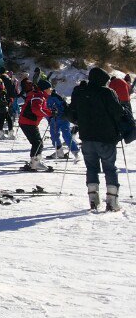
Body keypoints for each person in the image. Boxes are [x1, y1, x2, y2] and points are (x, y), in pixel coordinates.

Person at [67, 67, 131, 212]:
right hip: (106, 137)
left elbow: (71, 113)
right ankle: (112, 202)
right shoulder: (107, 92)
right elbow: (118, 113)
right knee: (110, 168)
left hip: (87, 137)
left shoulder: (80, 92)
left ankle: (93, 200)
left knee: (91, 168)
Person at [18, 79, 53, 171]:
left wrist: (50, 112)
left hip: (27, 122)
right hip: (28, 122)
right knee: (37, 143)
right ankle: (35, 163)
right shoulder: (38, 96)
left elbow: (41, 109)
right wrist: (50, 114)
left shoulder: (39, 95)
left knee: (37, 142)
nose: (51, 90)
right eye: (49, 88)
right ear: (45, 89)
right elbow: (36, 110)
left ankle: (34, 162)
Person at [44, 88, 78, 161]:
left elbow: (64, 106)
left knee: (65, 135)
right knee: (55, 136)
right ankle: (60, 151)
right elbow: (45, 110)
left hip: (61, 119)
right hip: (54, 120)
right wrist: (49, 118)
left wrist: (62, 114)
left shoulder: (55, 97)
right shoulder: (45, 98)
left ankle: (75, 152)